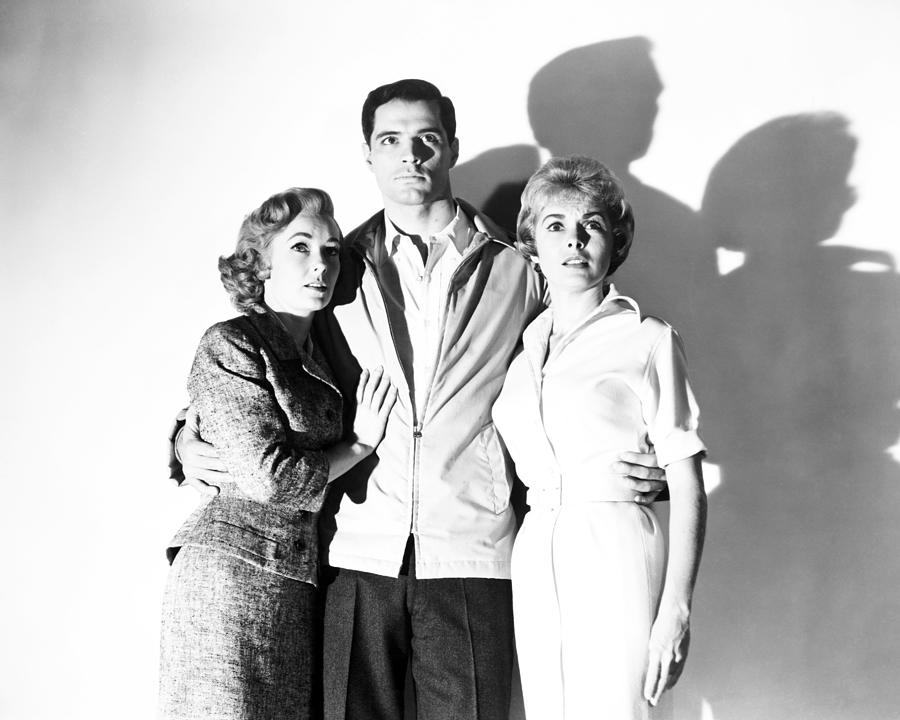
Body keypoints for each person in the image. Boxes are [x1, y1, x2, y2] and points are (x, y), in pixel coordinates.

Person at [173, 81, 669, 720]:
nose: (411, 156)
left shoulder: (524, 267)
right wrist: (185, 435)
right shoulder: (332, 265)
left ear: (453, 147)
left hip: (476, 550)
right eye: (391, 141)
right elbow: (260, 358)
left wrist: (636, 460)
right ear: (368, 154)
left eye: (427, 140)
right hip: (353, 550)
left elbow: (584, 367)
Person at [159, 187, 397, 720]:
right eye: (300, 247)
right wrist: (358, 445)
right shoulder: (232, 342)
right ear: (261, 263)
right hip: (230, 577)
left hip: (298, 584)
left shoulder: (326, 351)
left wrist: (182, 435)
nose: (320, 264)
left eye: (332, 250)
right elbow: (270, 478)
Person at [492, 156, 707, 719]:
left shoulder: (647, 337)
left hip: (613, 541)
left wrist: (675, 610)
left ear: (616, 239)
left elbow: (687, 481)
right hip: (535, 549)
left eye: (592, 224)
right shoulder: (519, 350)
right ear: (532, 242)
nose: (574, 240)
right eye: (555, 225)